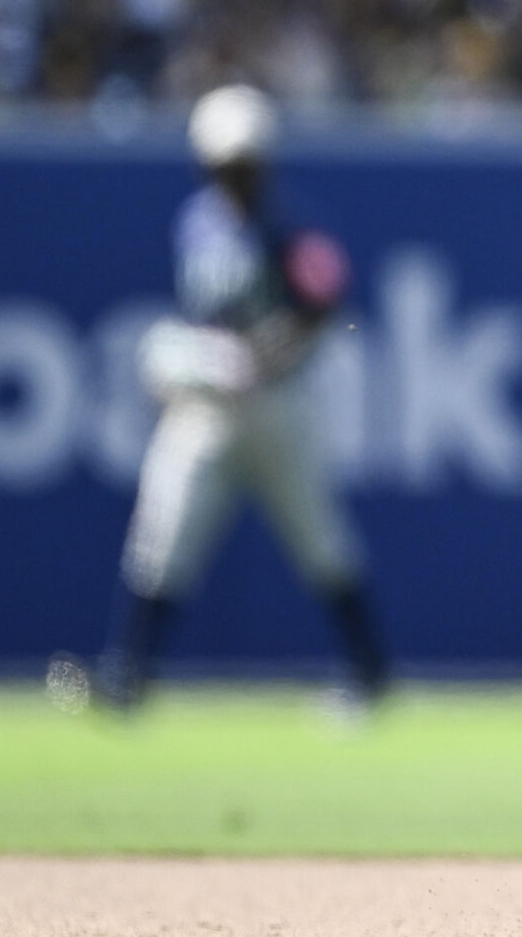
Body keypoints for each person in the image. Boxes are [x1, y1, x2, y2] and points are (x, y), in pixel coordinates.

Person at [92, 85, 387, 710]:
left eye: (246, 165)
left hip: (277, 406)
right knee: (163, 535)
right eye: (228, 166)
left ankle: (369, 675)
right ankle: (127, 676)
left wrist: (266, 356)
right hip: (207, 409)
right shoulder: (196, 223)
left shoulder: (288, 225)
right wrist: (193, 365)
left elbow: (330, 305)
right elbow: (201, 319)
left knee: (321, 542)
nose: (237, 178)